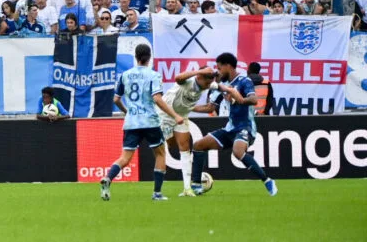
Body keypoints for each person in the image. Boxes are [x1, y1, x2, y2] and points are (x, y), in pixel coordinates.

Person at [187, 52, 277, 197]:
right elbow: (210, 107)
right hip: (230, 128)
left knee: (238, 151)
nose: (218, 71)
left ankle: (267, 180)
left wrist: (239, 99)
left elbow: (253, 100)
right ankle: (196, 185)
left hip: (245, 127)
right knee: (198, 145)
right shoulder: (222, 86)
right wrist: (187, 107)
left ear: (228, 66)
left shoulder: (244, 81)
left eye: (219, 68)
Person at [101, 42, 181, 202]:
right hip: (150, 121)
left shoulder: (125, 75)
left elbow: (116, 99)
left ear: (136, 57)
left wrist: (127, 112)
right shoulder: (154, 75)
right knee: (160, 154)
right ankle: (157, 193)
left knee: (125, 158)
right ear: (149, 57)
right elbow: (157, 98)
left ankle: (108, 178)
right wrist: (175, 115)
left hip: (132, 122)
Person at [160, 66, 216, 196]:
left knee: (185, 148)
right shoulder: (187, 81)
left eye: (209, 84)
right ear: (199, 77)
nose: (207, 86)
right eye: (206, 83)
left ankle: (187, 188)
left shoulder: (208, 85)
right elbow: (178, 77)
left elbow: (222, 88)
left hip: (182, 115)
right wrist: (199, 71)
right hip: (166, 114)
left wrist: (231, 91)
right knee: (172, 145)